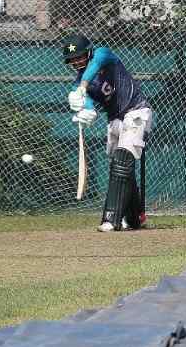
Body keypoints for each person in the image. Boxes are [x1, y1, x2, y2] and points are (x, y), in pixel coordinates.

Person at [62, 34, 153, 232]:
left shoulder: (103, 54)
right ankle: (136, 217)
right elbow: (89, 107)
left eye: (80, 56)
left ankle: (111, 219)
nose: (77, 61)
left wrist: (83, 87)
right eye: (73, 59)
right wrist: (86, 113)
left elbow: (95, 66)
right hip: (115, 120)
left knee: (122, 161)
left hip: (136, 111)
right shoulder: (77, 85)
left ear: (89, 52)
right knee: (122, 169)